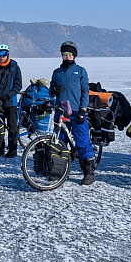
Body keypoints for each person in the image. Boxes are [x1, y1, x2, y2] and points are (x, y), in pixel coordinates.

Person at [49, 41, 96, 185]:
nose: (67, 57)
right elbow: (51, 90)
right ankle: (59, 170)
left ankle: (89, 172)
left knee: (82, 141)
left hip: (76, 112)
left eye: (70, 54)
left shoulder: (81, 71)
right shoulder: (57, 73)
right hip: (61, 111)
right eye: (65, 54)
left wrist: (83, 110)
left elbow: (85, 92)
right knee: (60, 141)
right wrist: (54, 91)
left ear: (74, 56)